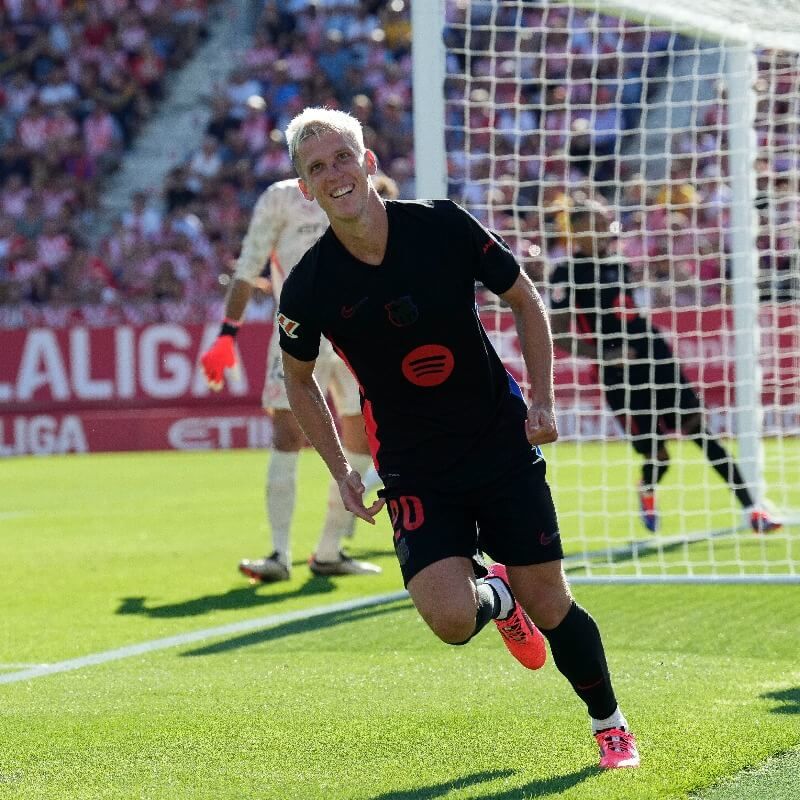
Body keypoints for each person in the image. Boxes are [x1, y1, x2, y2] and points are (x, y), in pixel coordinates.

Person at [276, 107, 640, 770]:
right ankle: (495, 597)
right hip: (413, 466)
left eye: (343, 157)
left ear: (369, 162)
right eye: (317, 167)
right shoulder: (309, 285)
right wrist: (341, 471)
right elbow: (297, 382)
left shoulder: (442, 224)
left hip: (498, 442)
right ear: (305, 188)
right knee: (449, 621)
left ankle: (609, 724)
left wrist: (542, 398)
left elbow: (524, 298)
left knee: (550, 601)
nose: (334, 173)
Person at [200, 172, 401, 583]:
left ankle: (329, 550)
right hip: (295, 329)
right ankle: (279, 554)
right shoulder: (280, 198)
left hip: (357, 333)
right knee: (288, 434)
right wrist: (227, 333)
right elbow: (248, 266)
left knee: (362, 436)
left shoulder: (358, 189)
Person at [547, 199, 782, 534]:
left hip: (656, 356)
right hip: (619, 374)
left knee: (701, 432)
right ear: (578, 228)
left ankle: (753, 509)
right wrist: (606, 356)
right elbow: (558, 333)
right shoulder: (566, 273)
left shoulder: (619, 263)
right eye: (597, 222)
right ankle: (646, 488)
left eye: (606, 220)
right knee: (659, 457)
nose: (606, 227)